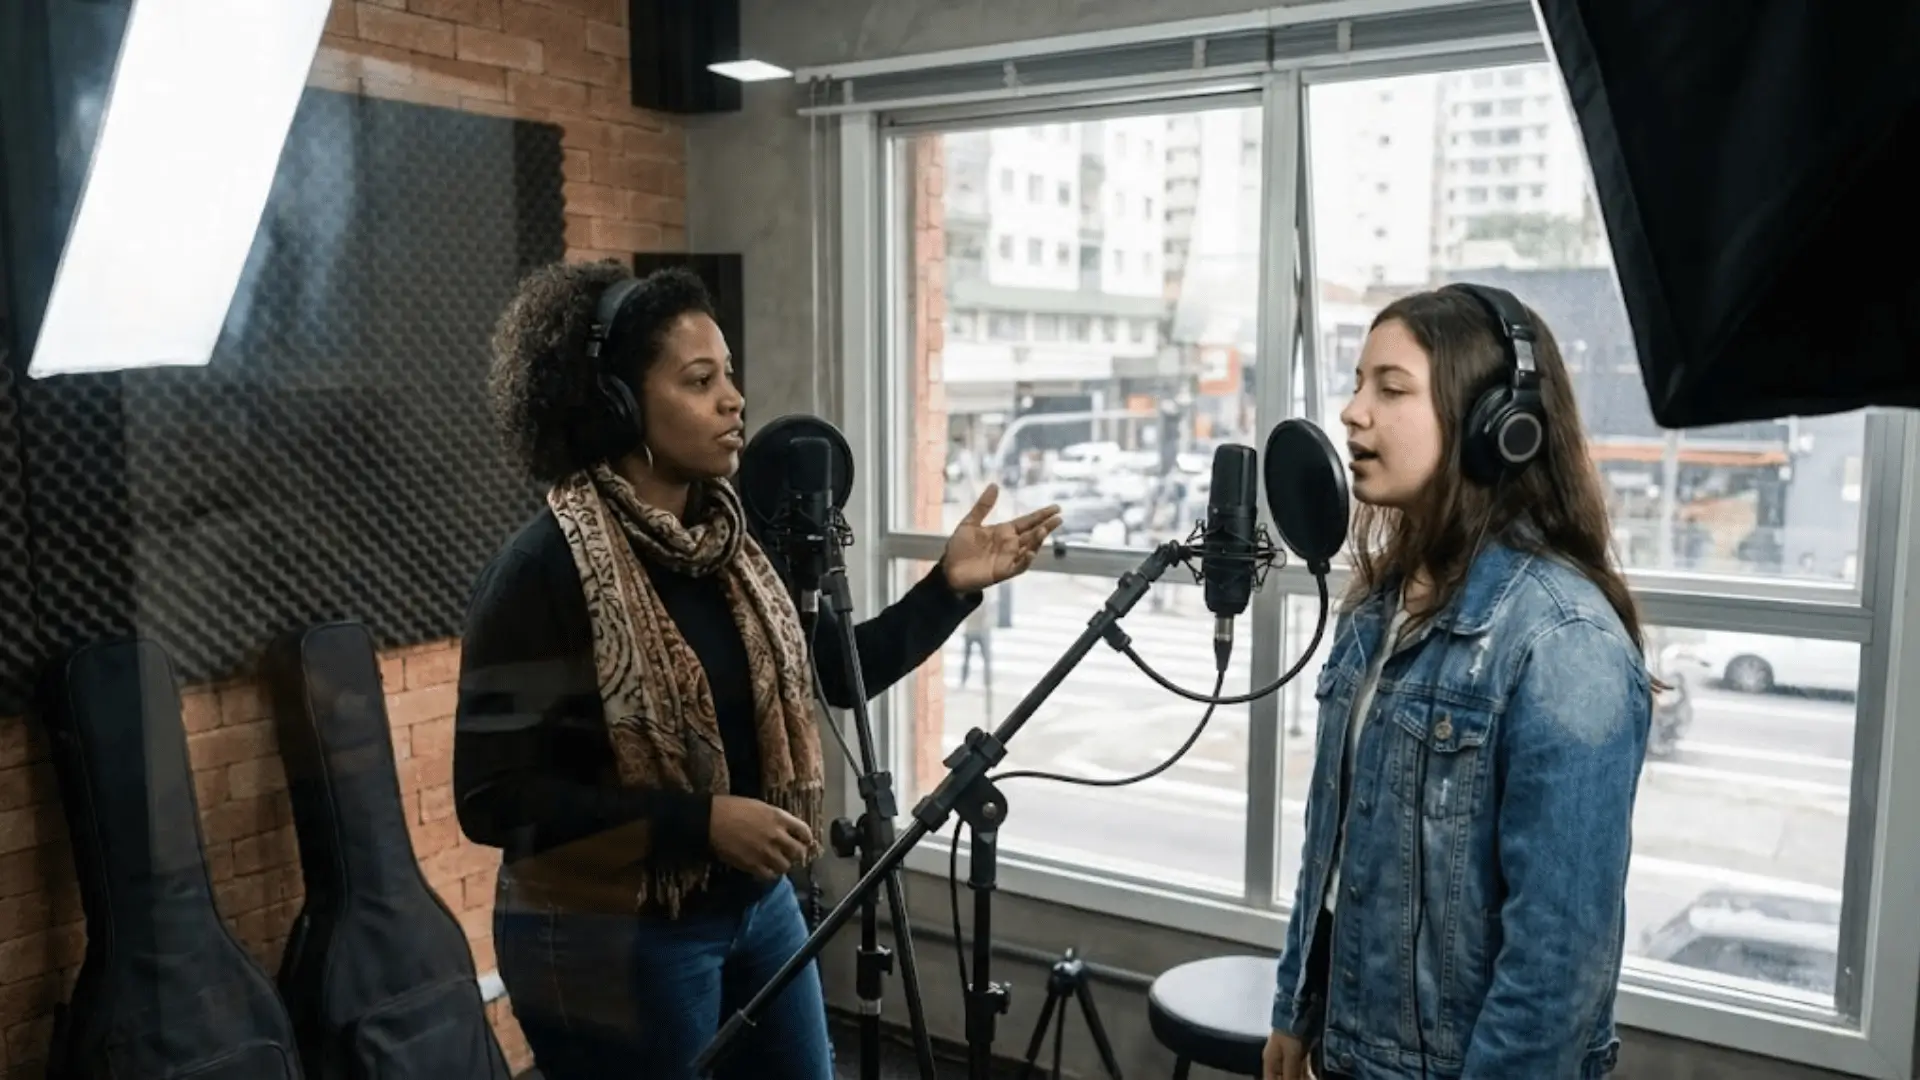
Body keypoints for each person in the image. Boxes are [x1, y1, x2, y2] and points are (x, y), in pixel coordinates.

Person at [455, 262, 1062, 1080]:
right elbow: (493, 798)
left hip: (757, 908)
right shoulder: (542, 572)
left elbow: (834, 674)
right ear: (618, 405)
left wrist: (946, 589)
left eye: (730, 375)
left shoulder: (734, 550)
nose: (734, 400)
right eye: (699, 380)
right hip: (612, 933)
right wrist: (699, 823)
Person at [1262, 284, 1653, 1080]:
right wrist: (1294, 1007)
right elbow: (1333, 844)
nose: (1352, 413)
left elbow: (1557, 959)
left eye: (1391, 388)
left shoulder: (1564, 641)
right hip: (1346, 1050)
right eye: (1358, 383)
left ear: (1494, 427)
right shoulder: (1375, 606)